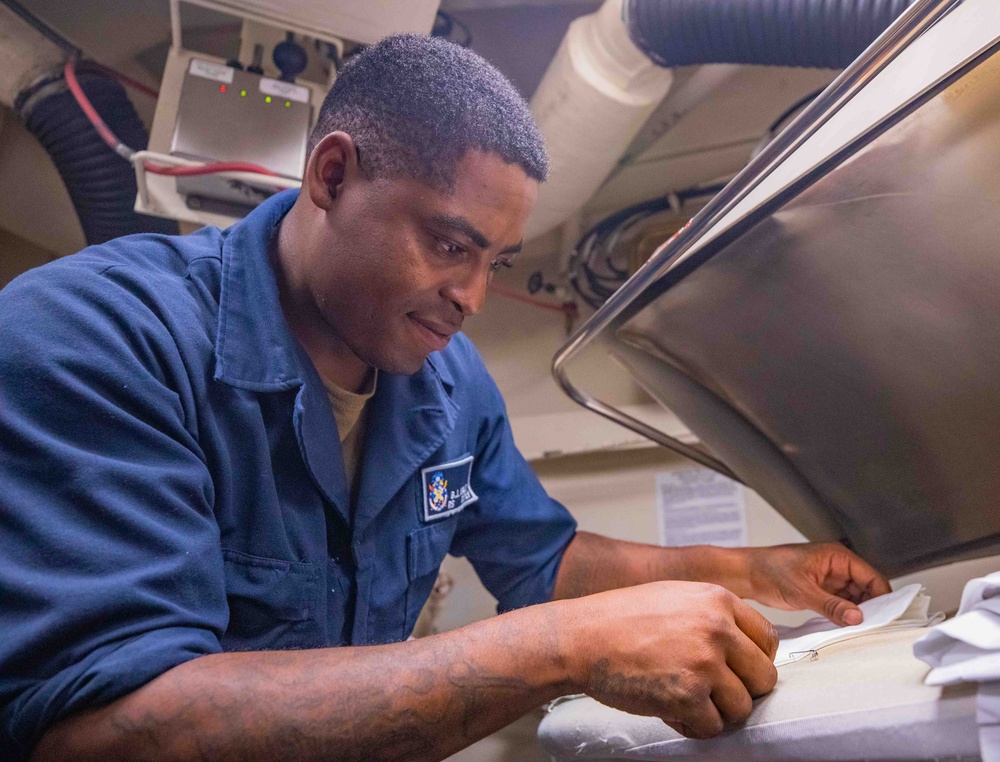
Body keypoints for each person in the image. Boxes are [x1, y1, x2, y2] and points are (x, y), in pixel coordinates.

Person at [0, 33, 891, 762]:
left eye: (494, 263)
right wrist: (563, 647)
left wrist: (747, 572)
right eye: (449, 246)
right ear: (333, 176)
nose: (471, 297)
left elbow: (546, 562)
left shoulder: (449, 384)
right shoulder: (99, 335)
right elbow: (110, 732)